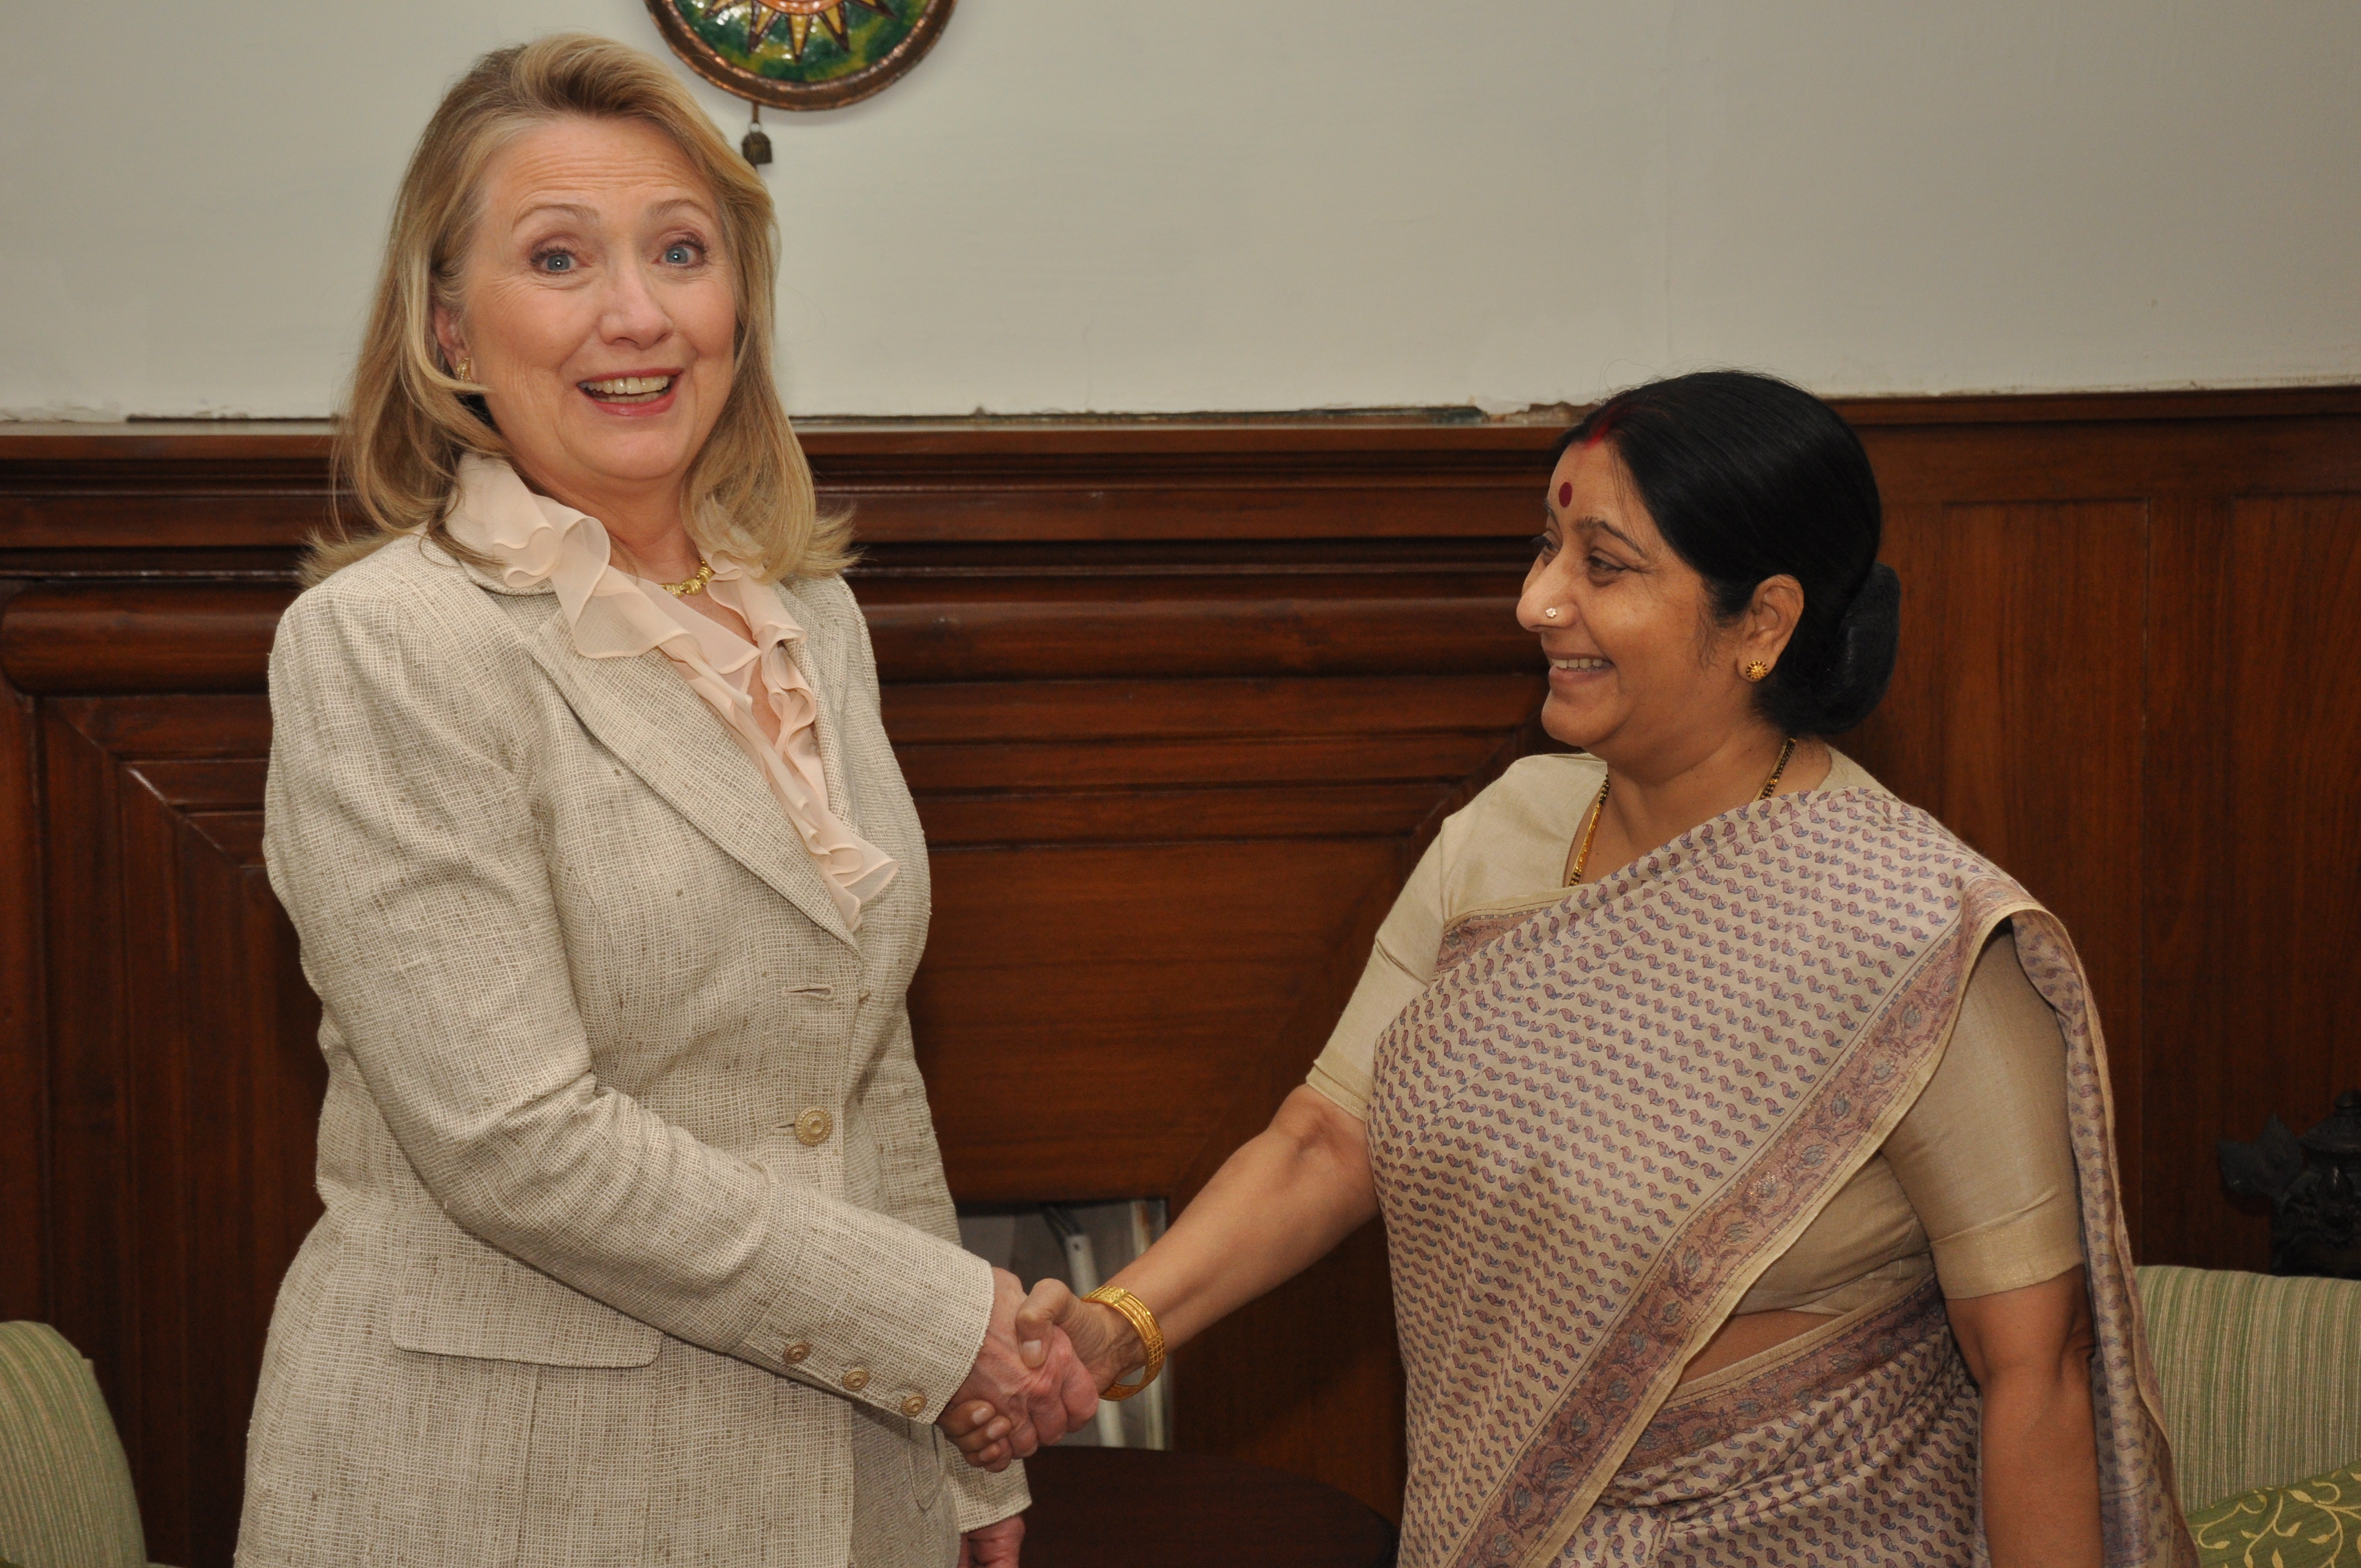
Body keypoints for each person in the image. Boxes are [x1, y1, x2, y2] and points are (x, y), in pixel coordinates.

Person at [968, 372, 2196, 1567]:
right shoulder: (1502, 832)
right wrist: (1110, 1324)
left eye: (1601, 567)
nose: (1537, 602)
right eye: (1546, 551)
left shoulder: (1913, 929)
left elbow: (2033, 1373)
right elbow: (1326, 1142)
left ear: (1758, 622)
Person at [242, 35, 1092, 1568]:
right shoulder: (383, 647)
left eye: (681, 253)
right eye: (558, 258)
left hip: (844, 1471)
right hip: (493, 1493)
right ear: (449, 324)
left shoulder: (803, 619)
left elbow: (860, 1056)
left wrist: (971, 1462)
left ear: (737, 302)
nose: (636, 315)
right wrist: (945, 1321)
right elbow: (515, 1139)